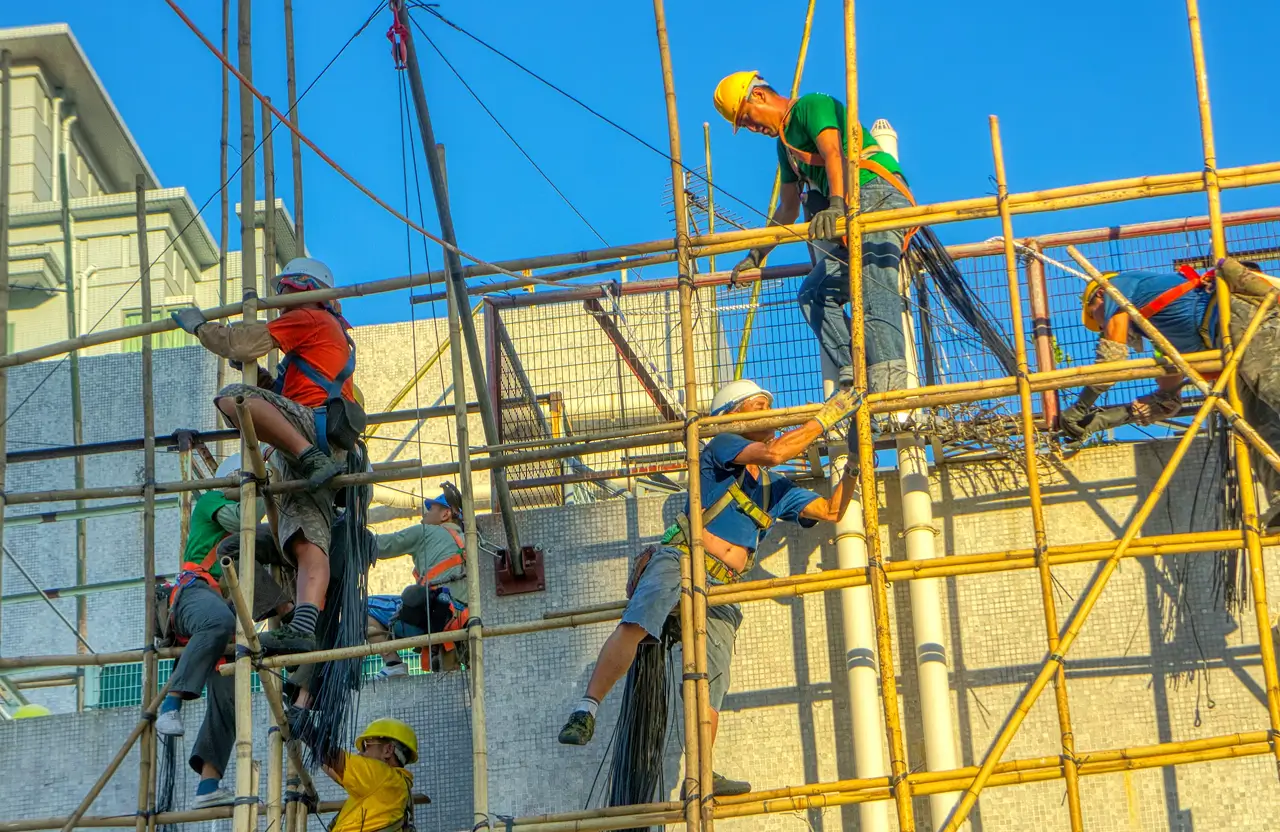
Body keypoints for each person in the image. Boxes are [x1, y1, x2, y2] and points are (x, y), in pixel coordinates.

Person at [556, 379, 860, 796]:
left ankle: (700, 773)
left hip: (724, 586)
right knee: (639, 621)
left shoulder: (772, 487)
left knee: (711, 677)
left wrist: (856, 464)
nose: (769, 415)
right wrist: (825, 417)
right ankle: (584, 710)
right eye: (757, 407)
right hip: (683, 559)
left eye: (769, 407)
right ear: (731, 415)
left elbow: (830, 510)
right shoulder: (720, 446)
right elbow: (775, 450)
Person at [171, 257, 364, 655]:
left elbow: (242, 341)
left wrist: (202, 329)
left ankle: (307, 456)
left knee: (233, 399)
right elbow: (279, 395)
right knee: (308, 544)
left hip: (312, 429)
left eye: (284, 294)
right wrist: (254, 372)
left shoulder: (308, 315)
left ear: (301, 290)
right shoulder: (321, 334)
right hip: (326, 434)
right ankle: (300, 621)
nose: (279, 304)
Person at [714, 71, 913, 393]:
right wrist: (756, 255)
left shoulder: (811, 105)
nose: (753, 128)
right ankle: (855, 369)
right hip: (851, 210)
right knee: (814, 294)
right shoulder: (786, 147)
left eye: (748, 118)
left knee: (875, 286)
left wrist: (836, 204)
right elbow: (788, 209)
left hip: (875, 194)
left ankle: (890, 387)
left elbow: (834, 152)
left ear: (760, 96)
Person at [1063, 257, 1280, 522]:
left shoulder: (1116, 286)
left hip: (1241, 320)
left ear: (1098, 296)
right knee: (1257, 426)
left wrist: (1080, 406)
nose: (1101, 326)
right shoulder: (1163, 335)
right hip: (1231, 349)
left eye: (1096, 317)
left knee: (1275, 391)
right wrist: (1101, 421)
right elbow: (1166, 400)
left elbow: (1111, 360)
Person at [152, 454, 293, 809]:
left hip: (218, 613)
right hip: (192, 597)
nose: (243, 485)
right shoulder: (211, 500)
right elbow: (241, 519)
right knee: (218, 621)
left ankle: (207, 785)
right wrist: (258, 490)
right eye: (238, 479)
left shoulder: (242, 540)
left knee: (231, 696)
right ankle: (171, 705)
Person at [372, 483, 470, 674]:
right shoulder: (474, 540)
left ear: (445, 514)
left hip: (435, 616)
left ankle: (393, 665)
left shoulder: (425, 532)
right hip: (465, 621)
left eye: (430, 508)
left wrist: (349, 528)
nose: (424, 514)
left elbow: (380, 546)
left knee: (362, 610)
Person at [324, 718, 418, 832]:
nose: (360, 754)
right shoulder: (393, 786)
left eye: (366, 746)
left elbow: (332, 756)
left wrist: (303, 723)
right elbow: (332, 765)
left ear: (388, 750)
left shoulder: (382, 776)